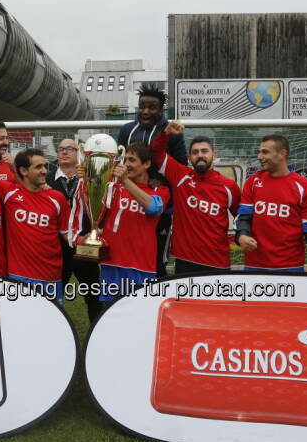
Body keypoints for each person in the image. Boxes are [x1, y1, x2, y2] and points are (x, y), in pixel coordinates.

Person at [116, 83, 187, 278]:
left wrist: (162, 182)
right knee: (130, 250)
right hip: (129, 198)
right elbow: (120, 160)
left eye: (152, 107)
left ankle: (156, 296)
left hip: (159, 203)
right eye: (142, 106)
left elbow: (181, 167)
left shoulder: (170, 131)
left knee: (157, 257)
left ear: (161, 109)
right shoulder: (127, 130)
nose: (145, 111)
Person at [152, 122, 241, 274]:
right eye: (195, 152)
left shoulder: (229, 186)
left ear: (214, 155)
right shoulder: (180, 176)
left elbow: (241, 216)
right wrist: (165, 133)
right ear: (189, 157)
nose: (200, 155)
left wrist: (243, 236)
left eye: (204, 151)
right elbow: (156, 153)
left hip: (218, 262)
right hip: (185, 261)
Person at [236, 134, 307, 273]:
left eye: (265, 152)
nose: (259, 156)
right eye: (259, 152)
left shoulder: (304, 186)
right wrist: (242, 235)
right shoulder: (253, 182)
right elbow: (244, 217)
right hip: (254, 265)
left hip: (290, 267)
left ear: (282, 154)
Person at [0, 148, 69, 300]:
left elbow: (66, 233)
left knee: (52, 322)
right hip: (19, 277)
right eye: (38, 167)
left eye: (44, 166)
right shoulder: (9, 192)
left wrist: (86, 242)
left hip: (51, 276)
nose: (45, 171)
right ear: (23, 171)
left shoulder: (57, 198)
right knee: (21, 322)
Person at [96, 142, 169, 302]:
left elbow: (154, 208)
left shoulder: (159, 189)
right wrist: (87, 179)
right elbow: (95, 210)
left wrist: (125, 182)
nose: (127, 164)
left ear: (147, 163)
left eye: (132, 160)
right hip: (111, 262)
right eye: (125, 160)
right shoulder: (113, 187)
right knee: (110, 312)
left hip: (141, 265)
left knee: (138, 314)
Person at [48, 137, 101, 321]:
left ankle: (97, 335)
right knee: (53, 296)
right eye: (61, 149)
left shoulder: (91, 179)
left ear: (79, 153)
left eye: (69, 149)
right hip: (56, 247)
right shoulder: (47, 179)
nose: (64, 152)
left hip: (85, 243)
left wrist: (88, 180)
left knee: (93, 294)